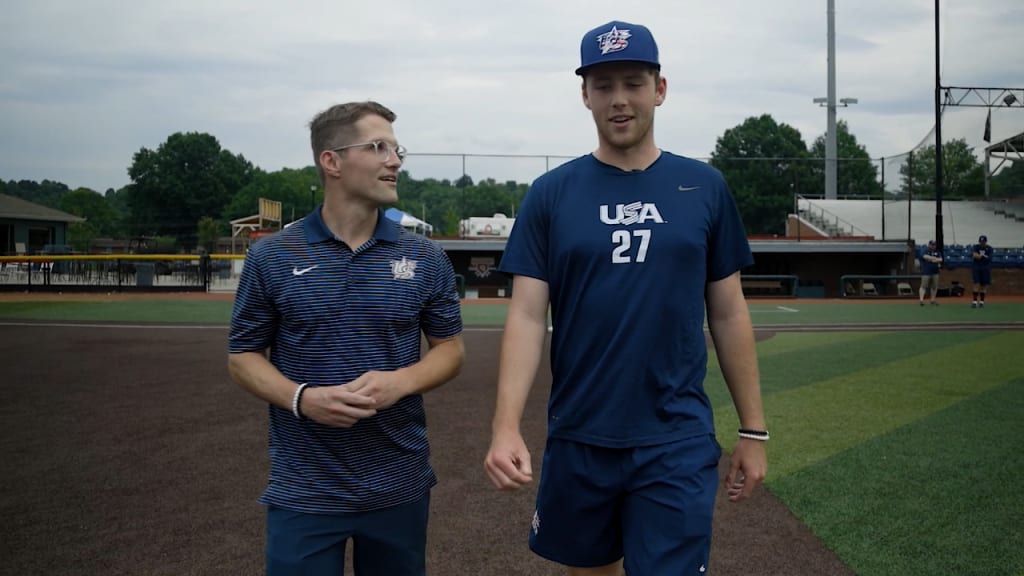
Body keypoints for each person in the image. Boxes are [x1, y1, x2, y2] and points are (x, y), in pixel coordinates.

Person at [483, 20, 768, 576]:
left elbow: (730, 313)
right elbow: (524, 314)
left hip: (675, 436)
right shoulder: (551, 194)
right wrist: (505, 425)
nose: (619, 100)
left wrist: (753, 431)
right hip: (580, 432)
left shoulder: (704, 187)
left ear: (659, 89)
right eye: (604, 84)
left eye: (633, 82)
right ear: (584, 94)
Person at [227, 100, 465, 575]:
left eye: (397, 149)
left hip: (398, 482)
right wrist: (302, 398)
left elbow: (451, 350)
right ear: (331, 161)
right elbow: (242, 355)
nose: (394, 161)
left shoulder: (425, 257)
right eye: (378, 147)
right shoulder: (272, 256)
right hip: (304, 488)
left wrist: (401, 382)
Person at [971, 234, 993, 308]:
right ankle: (974, 302)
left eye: (983, 242)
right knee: (976, 283)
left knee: (984, 285)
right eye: (981, 242)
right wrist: (983, 257)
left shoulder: (989, 248)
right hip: (977, 268)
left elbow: (989, 258)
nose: (982, 243)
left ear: (986, 242)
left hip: (985, 268)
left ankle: (981, 302)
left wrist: (979, 256)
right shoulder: (976, 247)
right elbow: (974, 255)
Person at [918, 240, 942, 306]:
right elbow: (924, 256)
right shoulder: (925, 250)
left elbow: (940, 259)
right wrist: (934, 259)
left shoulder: (937, 252)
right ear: (929, 245)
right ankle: (921, 300)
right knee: (923, 286)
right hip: (926, 272)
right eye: (932, 244)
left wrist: (931, 259)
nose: (933, 246)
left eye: (934, 245)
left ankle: (932, 300)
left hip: (935, 272)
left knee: (934, 286)